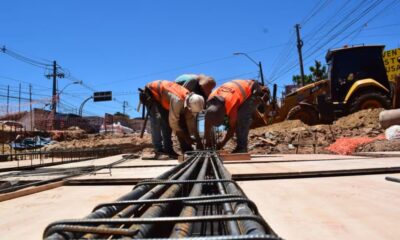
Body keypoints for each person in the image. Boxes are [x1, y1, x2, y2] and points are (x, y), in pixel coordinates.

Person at [140, 80, 204, 158]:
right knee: (156, 122)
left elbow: (189, 120)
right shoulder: (178, 101)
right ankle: (158, 150)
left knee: (166, 124)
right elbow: (173, 123)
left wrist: (191, 136)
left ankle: (168, 149)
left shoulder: (190, 98)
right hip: (150, 93)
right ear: (189, 106)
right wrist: (184, 136)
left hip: (162, 97)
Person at [204, 79, 269, 153]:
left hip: (255, 91)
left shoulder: (231, 105)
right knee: (239, 115)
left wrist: (222, 143)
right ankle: (240, 147)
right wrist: (207, 142)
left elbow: (233, 127)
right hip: (240, 89)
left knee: (242, 118)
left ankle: (242, 148)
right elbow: (207, 120)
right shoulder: (210, 99)